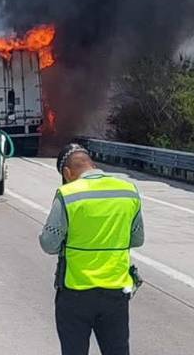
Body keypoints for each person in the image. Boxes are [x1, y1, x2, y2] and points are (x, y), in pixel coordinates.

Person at [39, 143, 144, 355]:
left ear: (67, 172)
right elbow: (137, 238)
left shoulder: (68, 194)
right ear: (92, 165)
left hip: (76, 292)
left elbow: (49, 244)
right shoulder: (128, 191)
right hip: (116, 291)